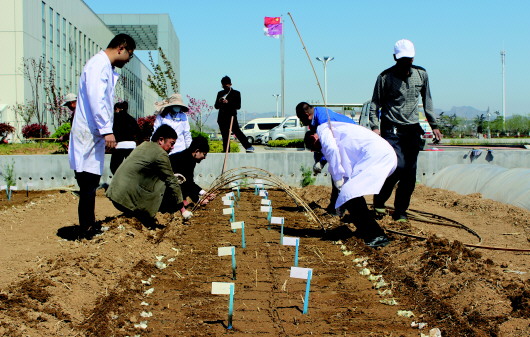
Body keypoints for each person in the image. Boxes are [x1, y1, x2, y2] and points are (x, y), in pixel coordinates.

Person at [68, 33, 136, 238]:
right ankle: (86, 230)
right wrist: (107, 130)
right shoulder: (98, 65)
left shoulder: (104, 66)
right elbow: (97, 99)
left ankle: (89, 225)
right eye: (130, 55)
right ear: (121, 48)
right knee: (88, 182)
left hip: (91, 133)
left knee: (91, 180)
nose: (128, 60)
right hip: (89, 132)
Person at [369, 39, 443, 222]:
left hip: (411, 129)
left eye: (408, 59)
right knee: (397, 166)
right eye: (402, 59)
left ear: (413, 57)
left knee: (410, 172)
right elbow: (374, 103)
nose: (406, 63)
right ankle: (379, 200)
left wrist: (434, 125)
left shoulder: (421, 74)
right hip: (391, 127)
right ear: (395, 58)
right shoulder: (385, 77)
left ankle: (400, 211)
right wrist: (375, 127)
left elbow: (428, 101)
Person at [303, 123, 397, 248]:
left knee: (350, 194)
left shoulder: (323, 132)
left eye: (316, 148)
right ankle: (366, 231)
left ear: (313, 138)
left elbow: (331, 150)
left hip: (376, 157)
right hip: (377, 156)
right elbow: (343, 166)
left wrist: (337, 178)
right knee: (350, 195)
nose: (320, 151)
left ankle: (377, 236)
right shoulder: (332, 134)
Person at [106, 125, 192, 227]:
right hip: (124, 200)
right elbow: (171, 181)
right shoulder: (161, 154)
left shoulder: (143, 145)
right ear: (161, 140)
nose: (173, 147)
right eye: (171, 143)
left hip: (115, 193)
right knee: (167, 185)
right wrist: (182, 209)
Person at [296, 102, 355, 215]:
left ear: (306, 114)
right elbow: (319, 146)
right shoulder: (315, 120)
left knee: (341, 177)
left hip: (349, 141)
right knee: (336, 176)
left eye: (301, 119)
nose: (302, 123)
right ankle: (335, 207)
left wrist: (322, 162)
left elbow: (330, 147)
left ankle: (340, 209)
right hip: (340, 143)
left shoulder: (323, 120)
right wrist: (317, 161)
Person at [169, 136, 216, 206]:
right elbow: (186, 184)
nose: (204, 157)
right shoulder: (183, 160)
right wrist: (198, 200)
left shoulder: (189, 158)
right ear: (197, 151)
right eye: (204, 154)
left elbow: (189, 182)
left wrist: (205, 194)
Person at [215, 76, 254, 153]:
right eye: (223, 85)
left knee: (237, 131)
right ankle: (226, 151)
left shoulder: (236, 93)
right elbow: (216, 106)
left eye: (226, 85)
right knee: (225, 135)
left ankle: (248, 146)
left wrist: (228, 102)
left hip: (231, 117)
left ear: (230, 84)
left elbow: (238, 106)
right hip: (222, 118)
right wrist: (220, 101)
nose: (225, 87)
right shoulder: (220, 93)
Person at [110, 101, 140, 174]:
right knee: (131, 168)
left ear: (117, 108)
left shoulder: (115, 117)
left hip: (119, 144)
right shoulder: (132, 119)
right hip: (131, 145)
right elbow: (138, 132)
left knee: (114, 167)